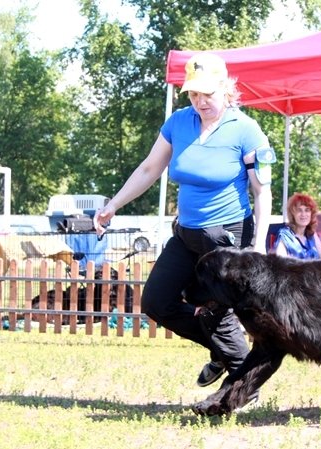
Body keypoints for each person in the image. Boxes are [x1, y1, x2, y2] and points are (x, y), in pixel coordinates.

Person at [93, 52, 274, 393]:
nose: (200, 101)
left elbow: (262, 193)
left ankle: (240, 386)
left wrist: (259, 244)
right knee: (157, 302)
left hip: (228, 238)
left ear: (225, 88)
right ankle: (223, 354)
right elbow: (149, 169)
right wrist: (113, 205)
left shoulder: (247, 131)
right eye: (193, 94)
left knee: (219, 315)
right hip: (187, 236)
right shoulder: (178, 122)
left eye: (208, 93)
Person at [273, 193, 321, 259]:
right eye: (299, 210)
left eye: (307, 210)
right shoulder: (285, 235)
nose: (303, 214)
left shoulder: (312, 234)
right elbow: (279, 264)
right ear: (292, 214)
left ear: (311, 213)